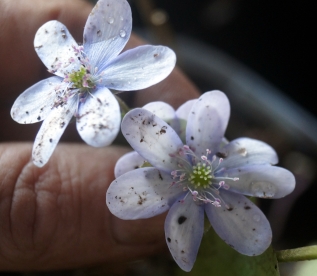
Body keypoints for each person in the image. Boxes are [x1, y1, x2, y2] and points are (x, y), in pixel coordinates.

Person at [0, 0, 199, 271]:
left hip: (106, 87)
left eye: (78, 73)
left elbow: (153, 60)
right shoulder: (67, 93)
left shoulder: (101, 71)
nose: (77, 74)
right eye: (72, 75)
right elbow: (24, 113)